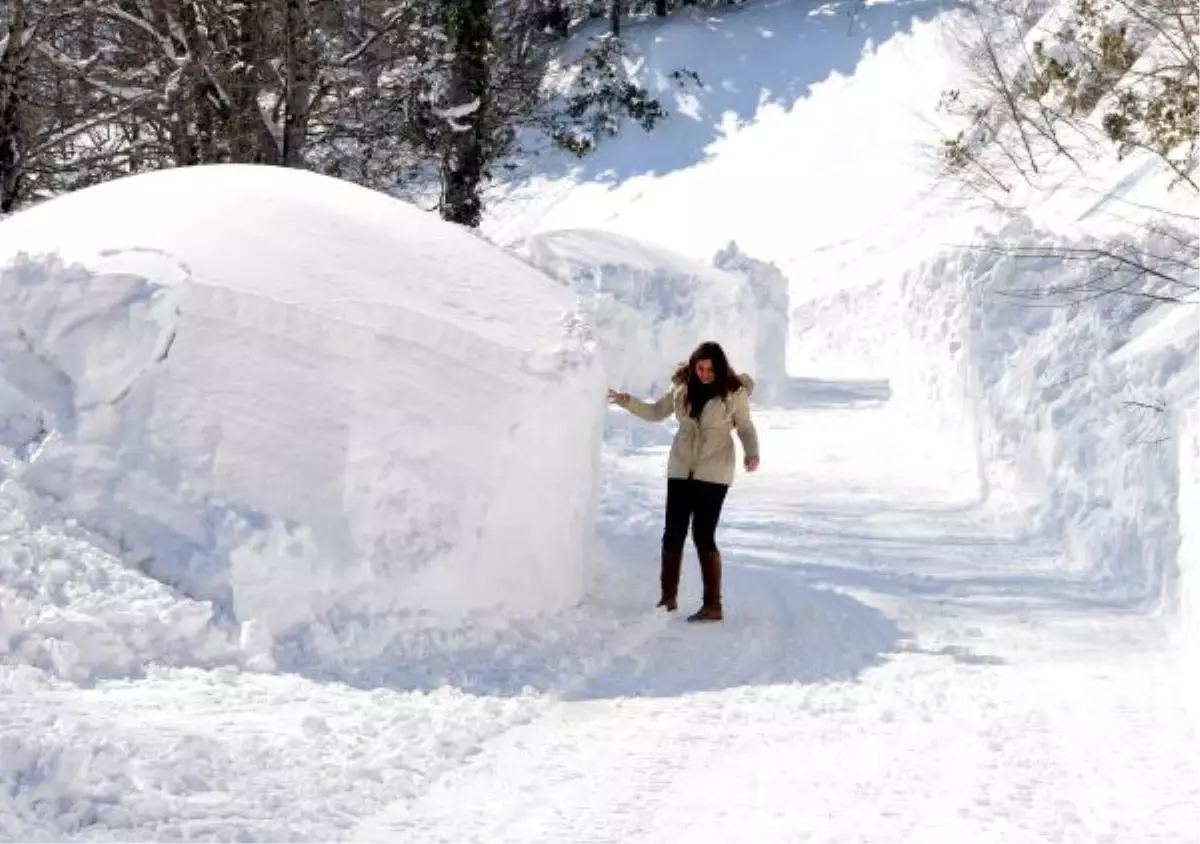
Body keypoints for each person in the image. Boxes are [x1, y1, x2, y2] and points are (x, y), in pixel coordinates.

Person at [607, 341, 760, 623]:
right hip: (680, 468)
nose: (704, 374)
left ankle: (713, 605)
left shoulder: (733, 392)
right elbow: (656, 412)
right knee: (673, 532)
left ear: (720, 368)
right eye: (699, 368)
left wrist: (752, 454)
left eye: (710, 369)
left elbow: (745, 427)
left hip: (714, 472)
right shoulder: (682, 388)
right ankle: (667, 599)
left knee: (703, 534)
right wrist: (626, 401)